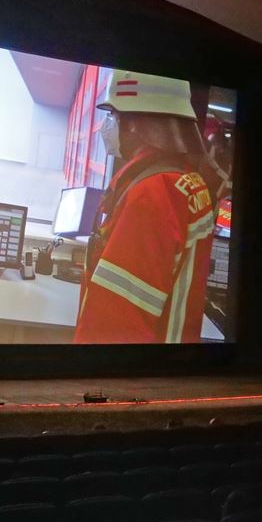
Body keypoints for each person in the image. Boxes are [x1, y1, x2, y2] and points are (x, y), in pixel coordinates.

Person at [74, 71, 218, 344]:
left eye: (113, 115)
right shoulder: (186, 181)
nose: (107, 125)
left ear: (134, 124)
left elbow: (116, 325)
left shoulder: (152, 193)